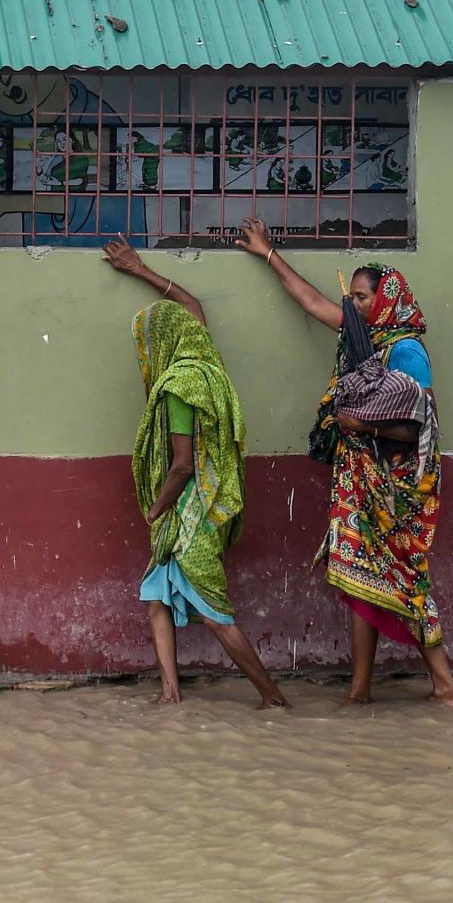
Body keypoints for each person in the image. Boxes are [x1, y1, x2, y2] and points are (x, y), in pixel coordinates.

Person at [236, 216, 453, 708]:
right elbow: (312, 300)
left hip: (397, 489)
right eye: (355, 297)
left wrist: (363, 427)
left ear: (385, 300)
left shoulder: (405, 352)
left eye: (361, 297)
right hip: (358, 479)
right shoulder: (362, 341)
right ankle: (359, 691)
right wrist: (268, 253)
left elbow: (415, 427)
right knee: (360, 576)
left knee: (406, 577)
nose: (353, 304)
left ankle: (445, 685)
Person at [102, 235, 290, 710]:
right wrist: (140, 269)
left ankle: (272, 697)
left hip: (189, 513)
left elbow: (182, 466)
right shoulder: (203, 359)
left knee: (215, 613)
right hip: (196, 506)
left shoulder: (177, 389)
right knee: (154, 599)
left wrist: (155, 508)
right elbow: (192, 303)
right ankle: (169, 693)